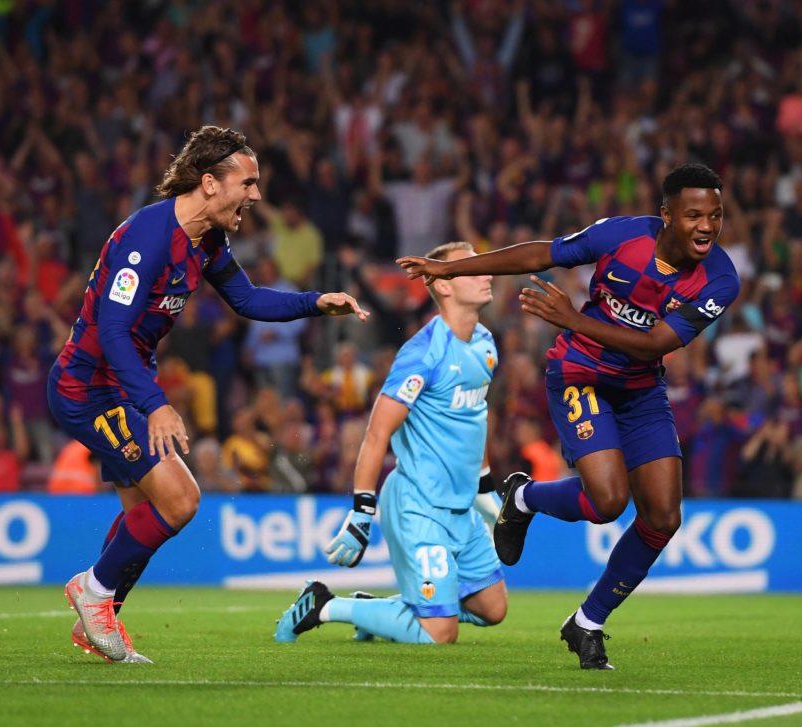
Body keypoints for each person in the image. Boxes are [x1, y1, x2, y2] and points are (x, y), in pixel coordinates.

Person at [398, 163, 739, 669]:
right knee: (608, 502)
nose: (706, 226)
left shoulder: (720, 280)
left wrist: (573, 318)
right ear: (667, 215)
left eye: (715, 215)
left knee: (664, 517)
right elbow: (543, 252)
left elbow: (654, 344)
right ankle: (525, 497)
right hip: (581, 373)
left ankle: (587, 622)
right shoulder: (622, 236)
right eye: (694, 215)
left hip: (641, 389)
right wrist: (453, 269)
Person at [48, 126, 368, 663]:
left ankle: (96, 621)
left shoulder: (207, 240)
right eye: (249, 183)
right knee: (180, 500)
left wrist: (315, 303)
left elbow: (247, 299)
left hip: (125, 387)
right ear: (210, 183)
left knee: (144, 517)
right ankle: (93, 591)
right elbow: (112, 329)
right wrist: (156, 404)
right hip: (89, 388)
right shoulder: (148, 238)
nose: (257, 195)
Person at [275, 241, 507, 645]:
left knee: (492, 609)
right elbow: (377, 432)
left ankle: (380, 611)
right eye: (473, 269)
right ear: (444, 285)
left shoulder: (485, 343)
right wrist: (362, 512)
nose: (487, 273)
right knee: (440, 633)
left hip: (461, 504)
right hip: (420, 504)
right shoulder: (424, 353)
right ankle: (324, 605)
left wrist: (485, 488)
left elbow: (475, 417)